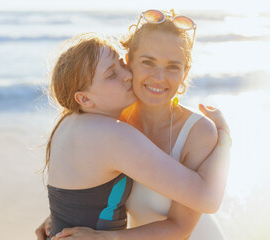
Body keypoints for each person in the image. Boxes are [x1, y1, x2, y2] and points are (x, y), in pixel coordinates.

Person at [37, 30, 231, 240]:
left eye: (121, 65)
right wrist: (60, 217)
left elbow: (82, 189)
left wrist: (61, 218)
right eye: (111, 74)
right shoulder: (114, 132)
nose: (127, 75)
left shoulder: (68, 122)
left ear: (185, 72)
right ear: (84, 99)